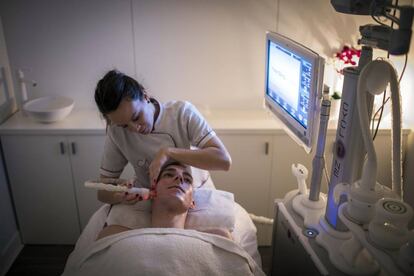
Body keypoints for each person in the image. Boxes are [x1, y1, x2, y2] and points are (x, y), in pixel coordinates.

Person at [94, 70, 231, 205]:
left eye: (136, 117)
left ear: (145, 96)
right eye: (125, 126)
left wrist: (168, 152)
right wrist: (120, 195)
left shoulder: (182, 113)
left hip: (194, 191)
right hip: (152, 200)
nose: (135, 128)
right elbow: (102, 191)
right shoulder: (116, 131)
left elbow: (223, 161)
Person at [97, 161, 232, 240]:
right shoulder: (113, 235)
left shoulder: (218, 238)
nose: (179, 179)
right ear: (151, 191)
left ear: (192, 202)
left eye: (187, 179)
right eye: (169, 174)